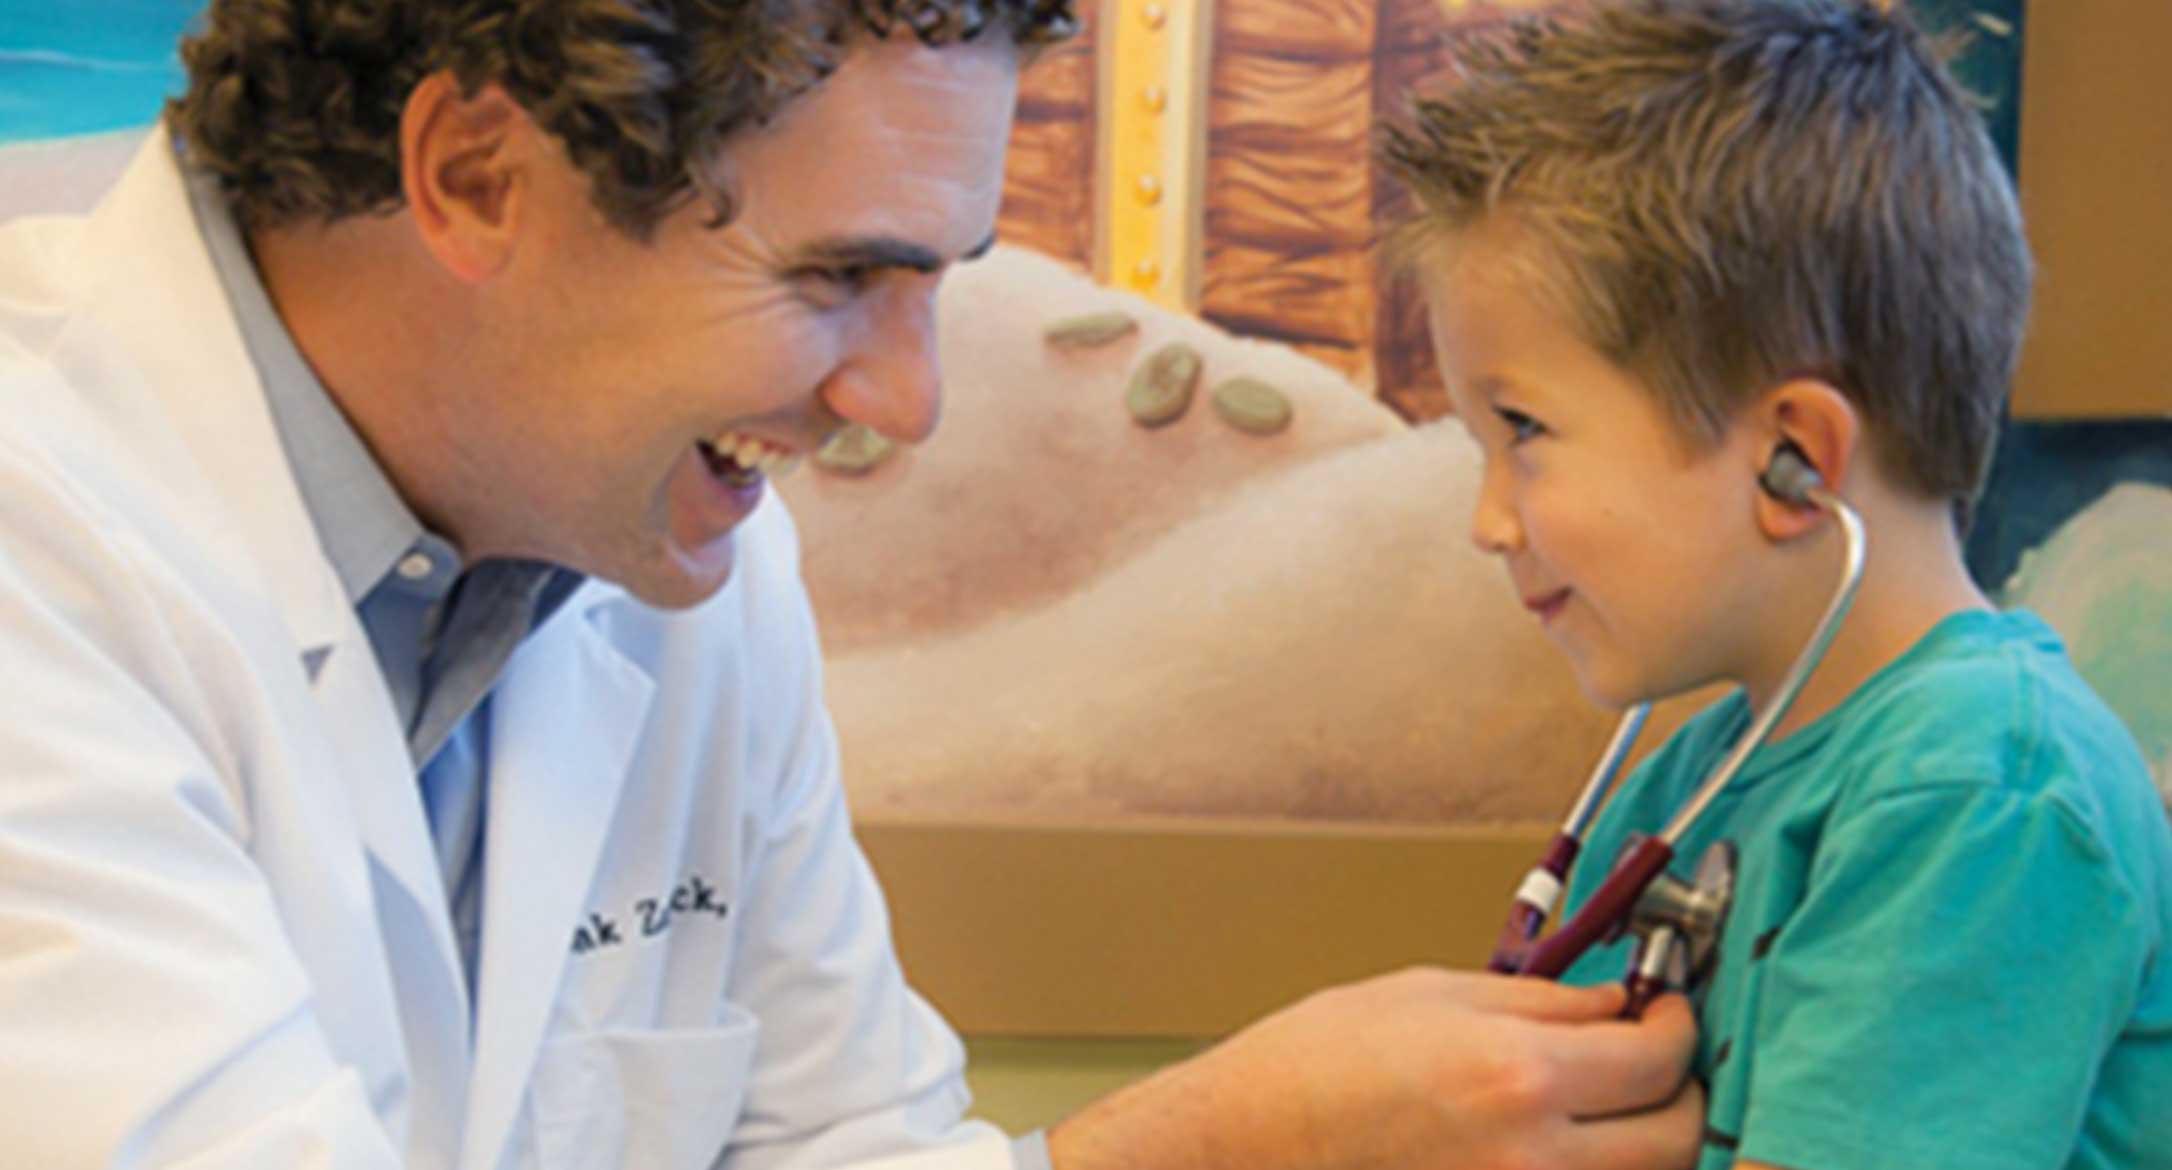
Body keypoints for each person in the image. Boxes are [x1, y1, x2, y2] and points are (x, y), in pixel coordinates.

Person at [0, 2, 1705, 1168]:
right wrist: (1216, 1141)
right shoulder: (41, 542)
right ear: (474, 178)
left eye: (934, 287)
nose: (904, 399)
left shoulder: (680, 565)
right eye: (838, 278)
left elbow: (852, 1142)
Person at [1381, 1, 2172, 1168]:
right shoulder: (1696, 787)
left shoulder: (1981, 789)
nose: (1489, 523)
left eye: (1525, 430)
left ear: (1791, 454)